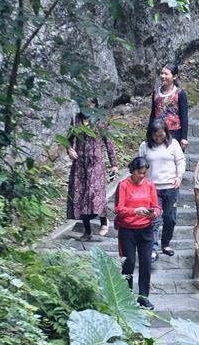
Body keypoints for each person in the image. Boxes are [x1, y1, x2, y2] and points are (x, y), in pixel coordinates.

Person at [67, 100, 119, 242]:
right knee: (81, 195)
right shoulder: (76, 119)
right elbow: (68, 140)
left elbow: (108, 142)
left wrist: (114, 164)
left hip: (96, 163)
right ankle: (87, 231)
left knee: (94, 194)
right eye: (85, 103)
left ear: (95, 105)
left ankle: (103, 220)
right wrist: (69, 149)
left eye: (91, 103)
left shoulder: (99, 120)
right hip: (79, 164)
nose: (87, 106)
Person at [114, 156, 160, 309]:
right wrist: (135, 211)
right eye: (139, 173)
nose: (142, 176)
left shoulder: (150, 185)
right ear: (132, 171)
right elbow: (118, 209)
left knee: (146, 263)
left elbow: (157, 207)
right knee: (129, 263)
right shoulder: (123, 185)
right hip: (127, 230)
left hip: (146, 229)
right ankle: (127, 296)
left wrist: (154, 213)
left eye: (144, 173)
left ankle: (143, 297)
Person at [138, 119, 185, 257]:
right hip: (151, 188)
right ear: (150, 134)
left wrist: (179, 176)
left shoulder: (173, 144)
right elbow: (139, 164)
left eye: (161, 135)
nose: (158, 138)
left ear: (166, 132)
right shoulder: (145, 146)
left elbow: (180, 161)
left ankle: (166, 243)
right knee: (153, 218)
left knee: (170, 218)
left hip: (171, 186)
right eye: (155, 136)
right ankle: (153, 248)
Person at [147, 64, 188, 150]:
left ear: (174, 76)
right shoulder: (156, 92)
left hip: (174, 132)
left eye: (166, 74)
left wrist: (184, 137)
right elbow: (153, 113)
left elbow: (184, 116)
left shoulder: (180, 93)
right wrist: (149, 133)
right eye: (162, 73)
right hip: (157, 132)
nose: (162, 76)